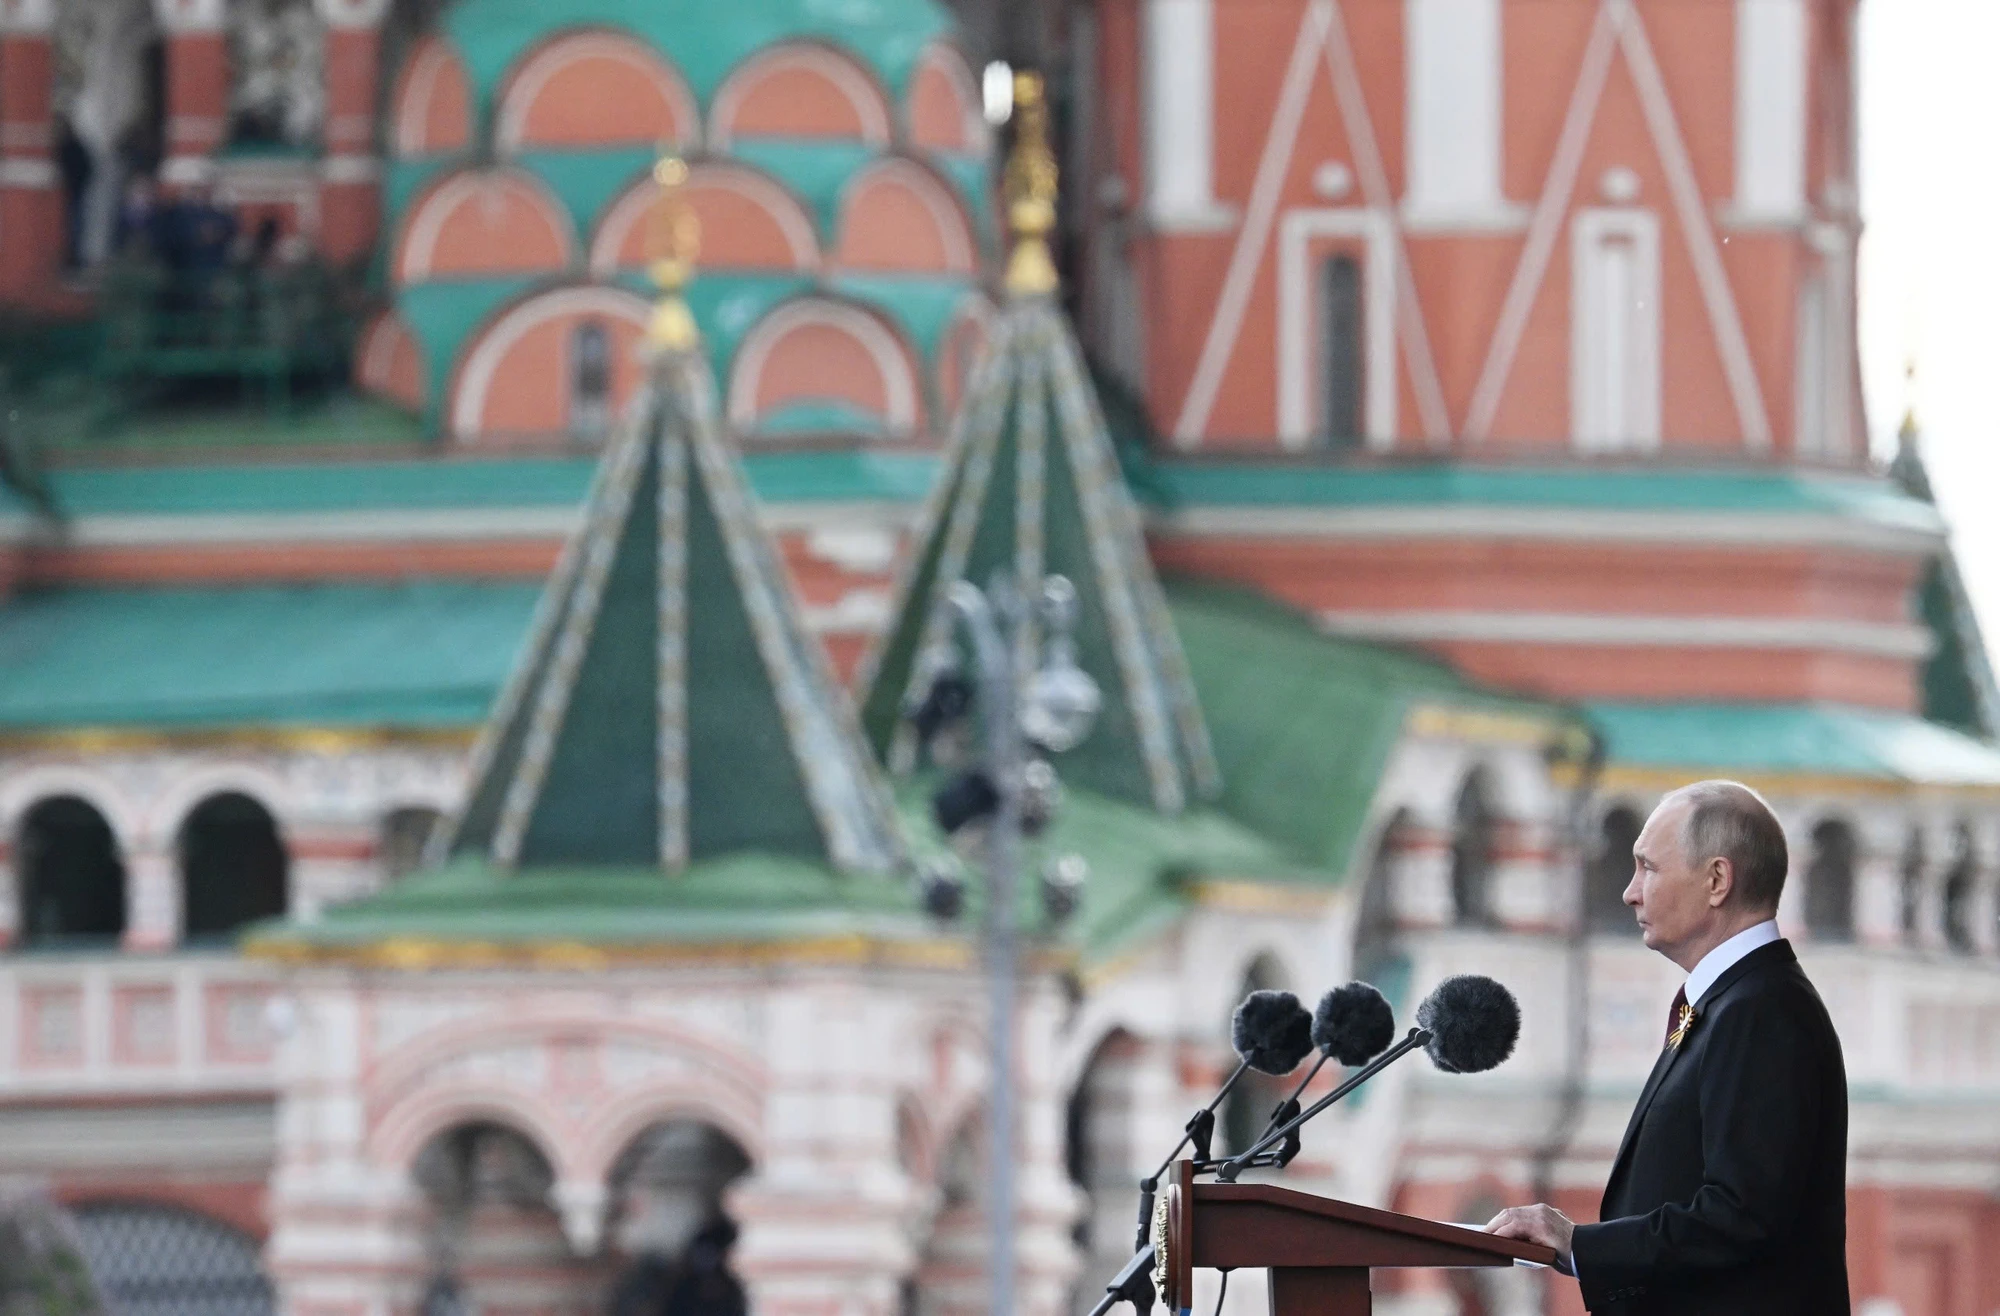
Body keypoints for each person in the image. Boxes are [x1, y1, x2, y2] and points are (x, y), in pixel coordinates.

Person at [1483, 780, 1848, 1314]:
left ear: (1717, 880)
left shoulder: (1761, 1009)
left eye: (1648, 868)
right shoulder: (1731, 1001)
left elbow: (1741, 1218)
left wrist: (1579, 1244)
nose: (1630, 892)